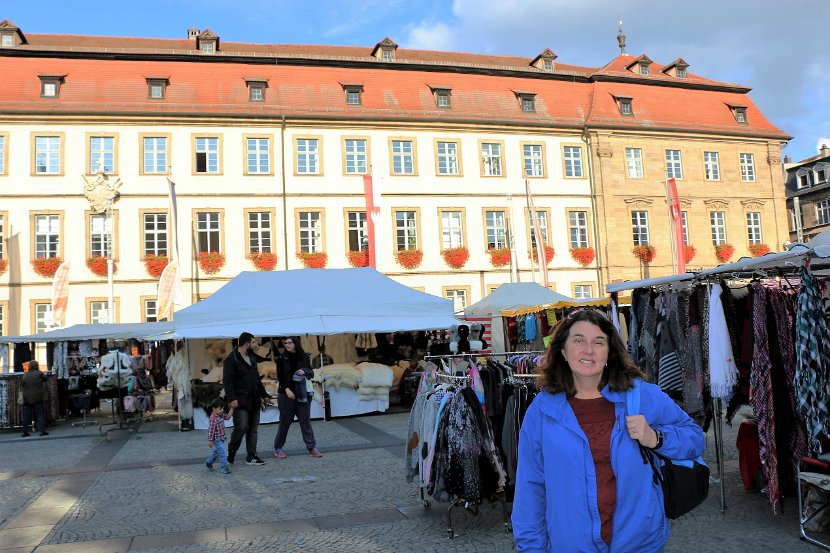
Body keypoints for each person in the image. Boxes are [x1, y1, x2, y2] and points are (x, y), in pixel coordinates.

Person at [512, 309, 705, 552]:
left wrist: (655, 438)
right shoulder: (542, 411)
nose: (589, 350)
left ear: (610, 352)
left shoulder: (640, 395)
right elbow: (530, 487)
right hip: (570, 545)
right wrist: (531, 548)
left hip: (639, 543)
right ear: (562, 350)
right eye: (579, 340)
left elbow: (695, 438)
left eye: (598, 342)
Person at [223, 332, 269, 466]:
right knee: (241, 427)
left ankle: (252, 456)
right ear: (247, 343)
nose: (255, 345)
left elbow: (256, 379)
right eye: (253, 342)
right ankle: (231, 453)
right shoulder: (231, 359)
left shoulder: (252, 358)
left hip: (254, 399)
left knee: (253, 429)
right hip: (240, 400)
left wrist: (264, 395)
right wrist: (232, 398)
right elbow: (227, 381)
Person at [272, 337, 322, 459]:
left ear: (295, 344)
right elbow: (281, 377)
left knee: (305, 421)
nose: (287, 345)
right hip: (286, 395)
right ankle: (278, 447)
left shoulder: (304, 357)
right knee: (285, 422)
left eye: (290, 343)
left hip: (303, 394)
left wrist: (304, 372)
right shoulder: (281, 359)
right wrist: (287, 389)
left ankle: (311, 447)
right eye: (285, 343)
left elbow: (311, 373)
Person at [205, 398, 234, 474]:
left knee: (216, 452)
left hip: (221, 438)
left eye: (222, 409)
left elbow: (228, 417)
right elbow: (211, 430)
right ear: (214, 409)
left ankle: (208, 463)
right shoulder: (213, 418)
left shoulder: (220, 415)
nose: (222, 410)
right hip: (216, 439)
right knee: (223, 452)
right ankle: (224, 467)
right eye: (220, 409)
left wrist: (232, 408)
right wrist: (210, 440)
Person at [21, 360, 49, 437]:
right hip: (38, 397)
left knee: (26, 415)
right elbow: (45, 379)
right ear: (37, 366)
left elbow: (22, 384)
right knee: (40, 414)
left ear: (29, 366)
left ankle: (24, 431)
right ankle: (42, 430)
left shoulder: (25, 375)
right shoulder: (39, 374)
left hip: (27, 398)